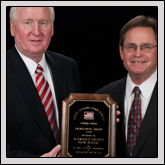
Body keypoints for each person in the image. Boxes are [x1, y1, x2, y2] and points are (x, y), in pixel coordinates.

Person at [7, 7, 82, 157]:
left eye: (43, 23)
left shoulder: (68, 67)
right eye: (28, 22)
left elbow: (78, 121)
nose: (36, 31)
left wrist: (105, 120)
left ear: (52, 28)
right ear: (13, 28)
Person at [95, 15, 157, 157]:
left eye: (146, 47)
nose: (138, 54)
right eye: (131, 47)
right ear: (121, 51)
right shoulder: (102, 97)